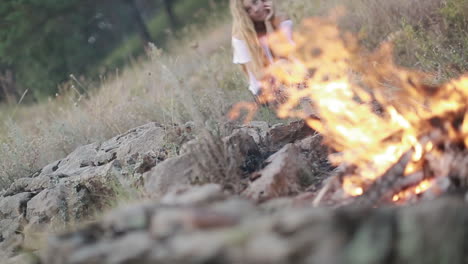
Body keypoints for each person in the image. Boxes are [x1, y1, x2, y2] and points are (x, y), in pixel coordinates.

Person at [230, 0, 294, 99]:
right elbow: (259, 75)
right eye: (248, 10)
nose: (255, 10)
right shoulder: (241, 37)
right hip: (265, 89)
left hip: (290, 74)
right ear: (244, 15)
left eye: (255, 2)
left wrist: (270, 23)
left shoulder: (281, 20)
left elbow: (285, 55)